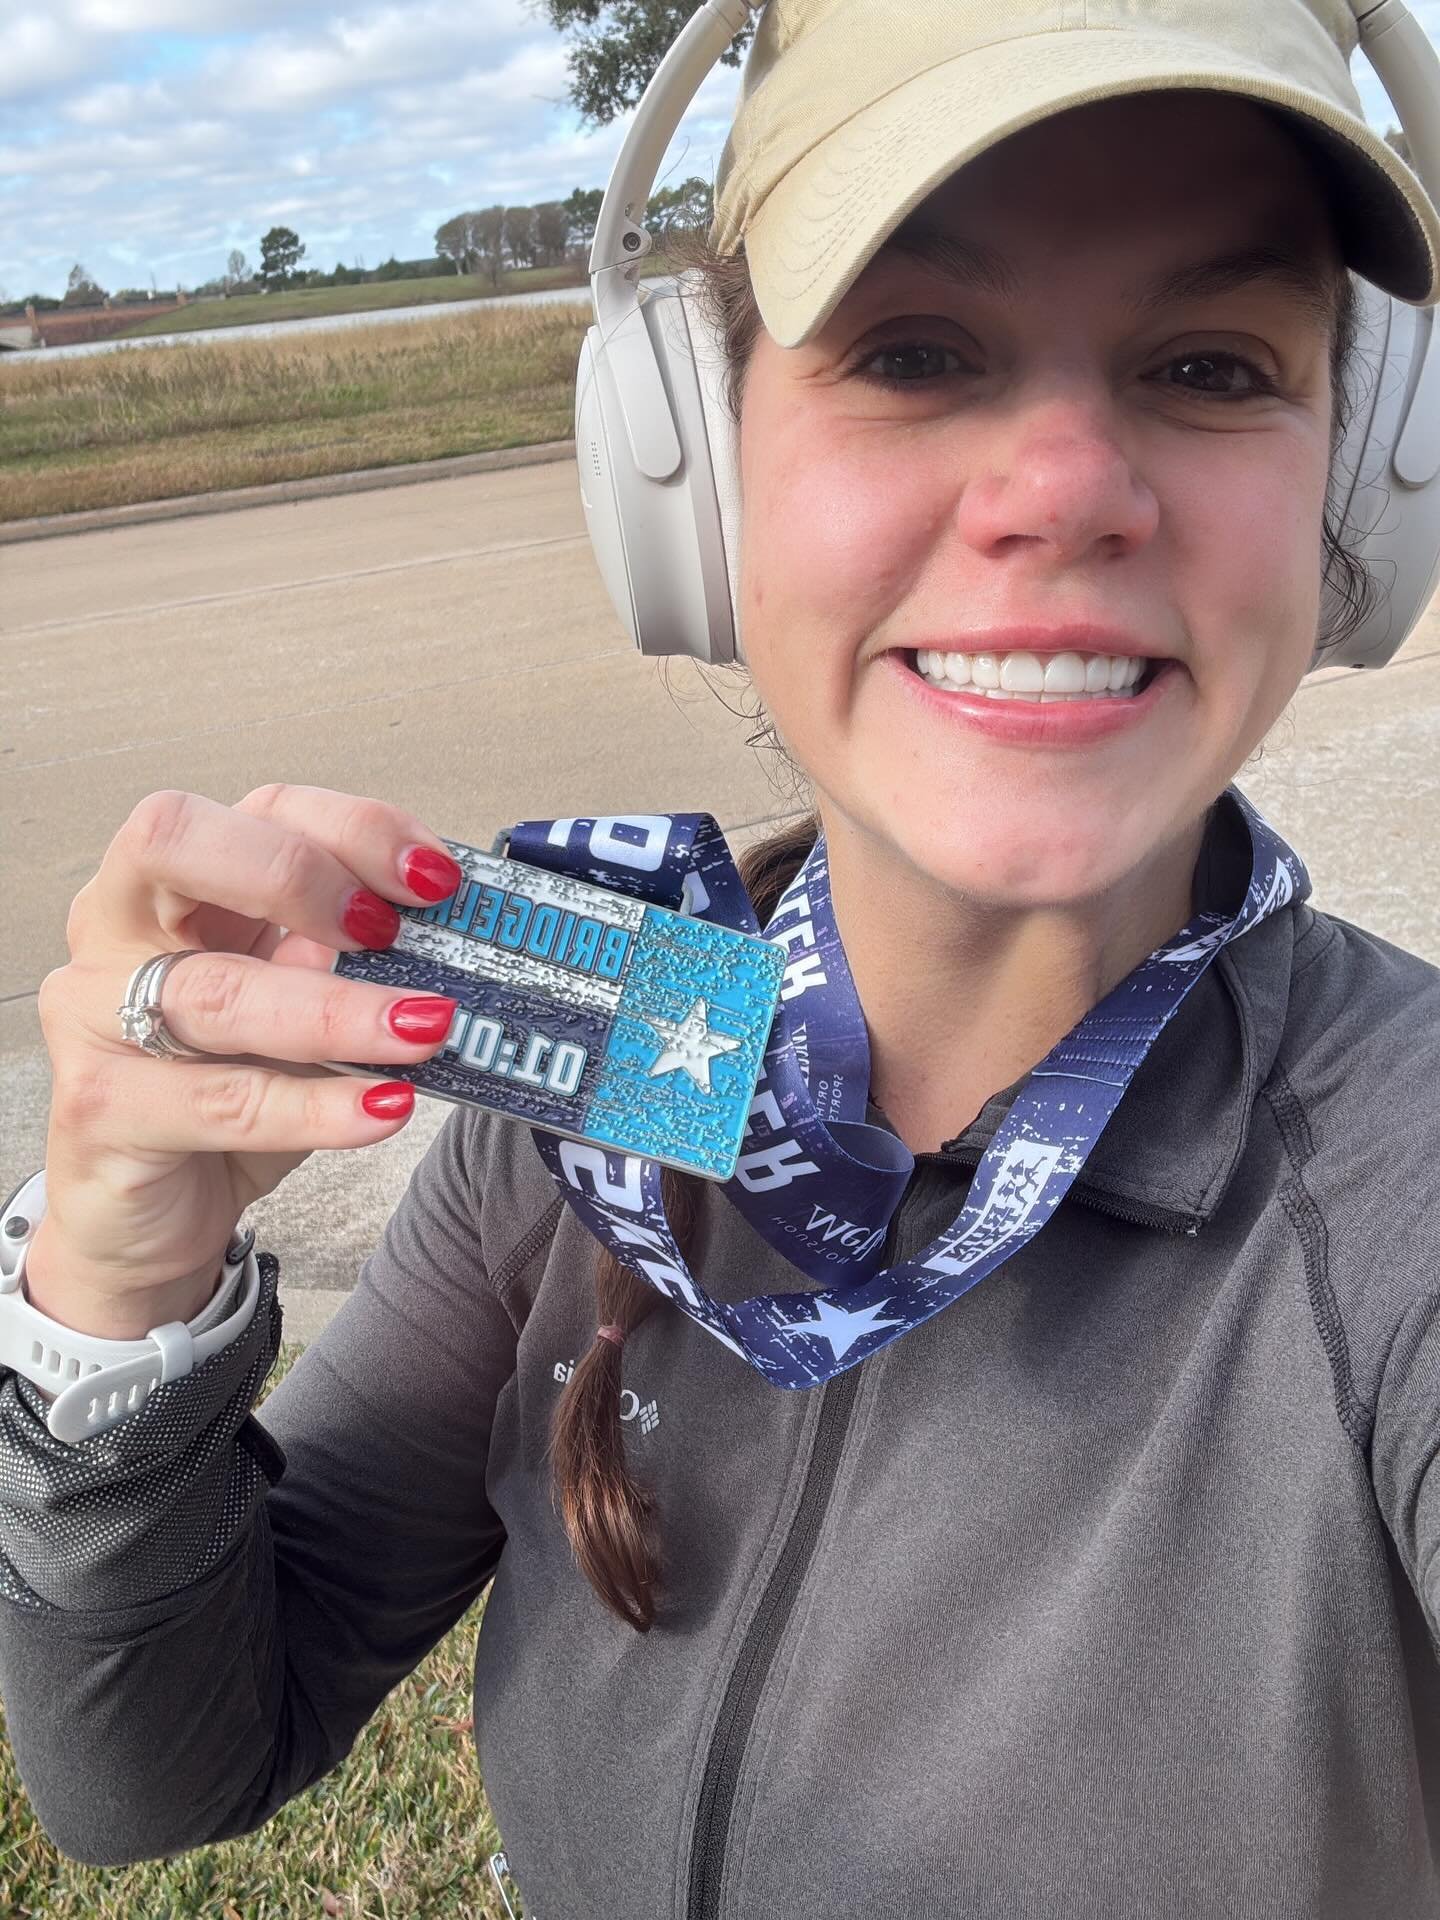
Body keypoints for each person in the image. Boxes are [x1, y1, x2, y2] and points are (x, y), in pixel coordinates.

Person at [2, 1, 1440, 1914]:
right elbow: (161, 1767)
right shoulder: (601, 1063)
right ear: (682, 464)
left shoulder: (1400, 1186)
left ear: (1362, 485)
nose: (1067, 488)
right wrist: (115, 1299)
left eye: (1208, 361)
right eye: (918, 355)